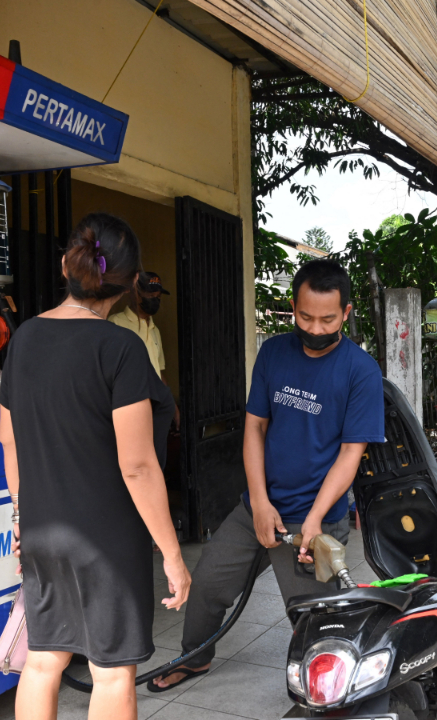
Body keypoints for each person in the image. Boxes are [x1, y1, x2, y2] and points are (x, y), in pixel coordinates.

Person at [149, 259, 385, 692]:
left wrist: (313, 522)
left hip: (313, 518)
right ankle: (194, 658)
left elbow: (351, 454)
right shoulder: (275, 352)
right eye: (306, 317)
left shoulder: (360, 371)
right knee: (208, 585)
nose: (315, 329)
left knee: (313, 620)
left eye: (328, 319)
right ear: (293, 307)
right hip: (259, 505)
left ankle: (325, 686)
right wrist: (258, 502)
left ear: (347, 313)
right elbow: (255, 427)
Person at [0, 213, 188, 720]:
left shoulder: (22, 341)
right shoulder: (119, 347)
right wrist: (172, 553)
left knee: (42, 661)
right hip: (107, 541)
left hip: (41, 530)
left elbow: (8, 442)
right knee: (111, 671)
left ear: (66, 264)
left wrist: (21, 518)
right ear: (129, 284)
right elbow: (138, 466)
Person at [110, 270, 170, 384]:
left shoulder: (154, 329)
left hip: (154, 399)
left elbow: (159, 370)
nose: (156, 300)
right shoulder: (115, 323)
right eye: (151, 295)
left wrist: (168, 400)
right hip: (133, 398)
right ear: (136, 294)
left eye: (158, 296)